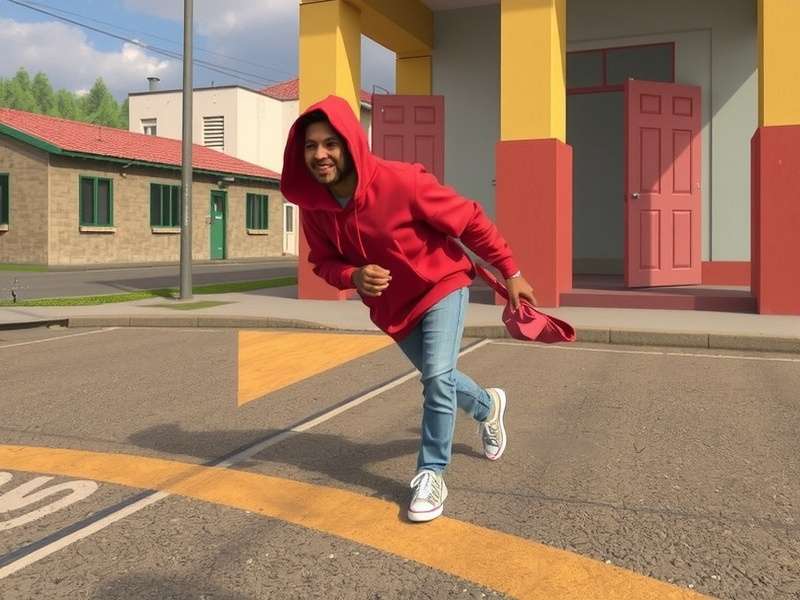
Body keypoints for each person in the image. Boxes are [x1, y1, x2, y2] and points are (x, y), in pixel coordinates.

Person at [280, 95, 536, 523]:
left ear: (349, 143)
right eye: (310, 146)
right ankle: (488, 406)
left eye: (330, 143)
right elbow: (323, 262)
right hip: (392, 308)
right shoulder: (316, 208)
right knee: (442, 377)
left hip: (441, 284)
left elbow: (470, 219)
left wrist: (512, 271)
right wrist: (353, 277)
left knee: (437, 377)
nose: (320, 154)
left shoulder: (402, 182)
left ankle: (431, 472)